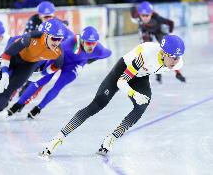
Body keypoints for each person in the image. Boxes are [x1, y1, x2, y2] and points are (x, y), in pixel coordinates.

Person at [39, 34, 185, 157]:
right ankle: (58, 138)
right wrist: (133, 93)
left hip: (141, 76)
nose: (175, 61)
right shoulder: (146, 54)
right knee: (97, 104)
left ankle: (112, 137)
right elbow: (122, 81)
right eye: (173, 57)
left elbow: (157, 69)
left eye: (178, 58)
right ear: (163, 53)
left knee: (142, 106)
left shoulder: (177, 63)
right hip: (122, 72)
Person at [0, 26, 111, 119]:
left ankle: (39, 108)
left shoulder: (100, 50)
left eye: (94, 43)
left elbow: (108, 53)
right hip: (60, 59)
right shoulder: (70, 43)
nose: (91, 46)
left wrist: (89, 60)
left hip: (74, 66)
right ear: (81, 40)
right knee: (41, 80)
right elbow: (52, 50)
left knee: (58, 86)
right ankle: (17, 105)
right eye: (88, 43)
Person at [131, 1, 186, 84]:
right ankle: (156, 71)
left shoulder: (157, 19)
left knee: (169, 51)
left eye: (147, 15)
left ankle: (178, 73)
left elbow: (171, 23)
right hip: (146, 32)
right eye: (143, 15)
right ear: (139, 14)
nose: (145, 18)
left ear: (151, 14)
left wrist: (169, 34)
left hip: (159, 32)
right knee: (145, 50)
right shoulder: (136, 15)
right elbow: (132, 9)